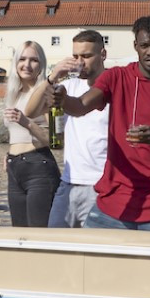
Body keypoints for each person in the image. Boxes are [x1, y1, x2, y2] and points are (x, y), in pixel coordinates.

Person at [53, 14, 150, 231]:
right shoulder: (117, 77)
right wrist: (63, 100)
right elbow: (81, 106)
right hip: (115, 200)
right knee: (88, 262)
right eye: (144, 45)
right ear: (135, 46)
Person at [46, 29, 109, 228]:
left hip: (100, 185)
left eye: (86, 56)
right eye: (75, 56)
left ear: (103, 55)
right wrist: (53, 76)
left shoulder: (115, 87)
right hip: (68, 182)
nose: (80, 62)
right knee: (53, 246)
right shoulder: (69, 86)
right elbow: (32, 110)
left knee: (94, 251)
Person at [2, 40, 61, 227]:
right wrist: (9, 153)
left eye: (33, 60)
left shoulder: (48, 93)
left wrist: (26, 122)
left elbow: (57, 141)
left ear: (41, 64)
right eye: (22, 59)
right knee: (19, 233)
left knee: (38, 233)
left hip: (39, 166)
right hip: (14, 168)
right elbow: (16, 134)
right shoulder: (13, 93)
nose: (27, 65)